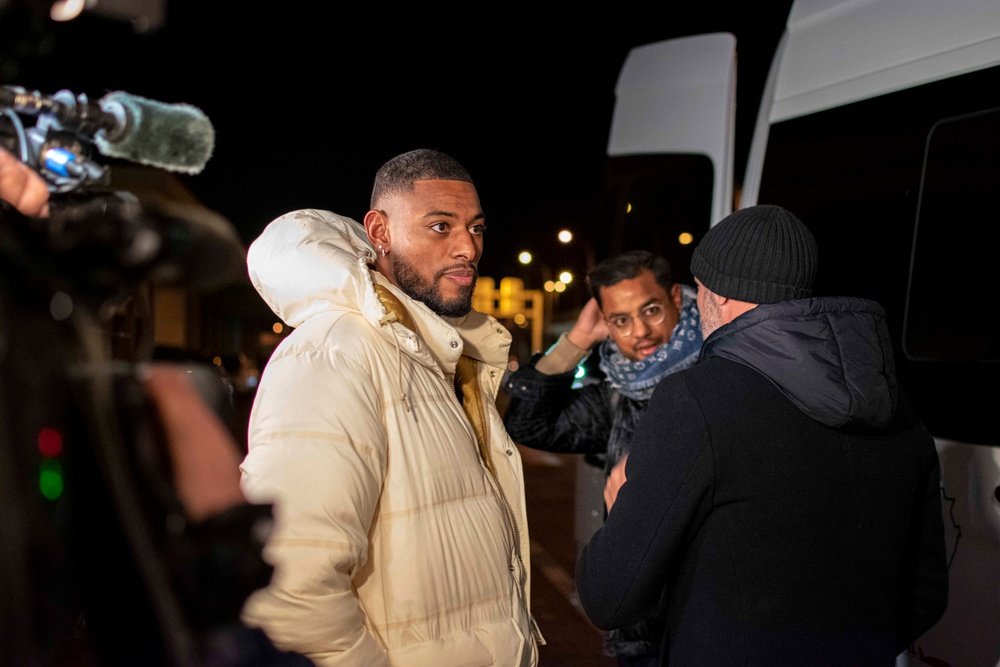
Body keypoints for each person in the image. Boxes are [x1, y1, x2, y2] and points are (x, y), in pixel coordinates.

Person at [576, 204, 949, 666]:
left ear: (720, 295)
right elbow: (927, 593)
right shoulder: (892, 400)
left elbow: (610, 597)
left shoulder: (696, 399)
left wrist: (620, 504)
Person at [238, 148, 542, 666]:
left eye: (476, 227)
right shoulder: (335, 353)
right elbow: (290, 588)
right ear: (379, 231)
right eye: (440, 226)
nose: (468, 247)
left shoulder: (438, 352)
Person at [502, 249, 702, 664]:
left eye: (651, 310)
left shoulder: (718, 374)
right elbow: (529, 425)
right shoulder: (618, 398)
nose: (641, 331)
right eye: (621, 320)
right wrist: (577, 341)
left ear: (676, 301)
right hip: (643, 630)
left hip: (712, 618)